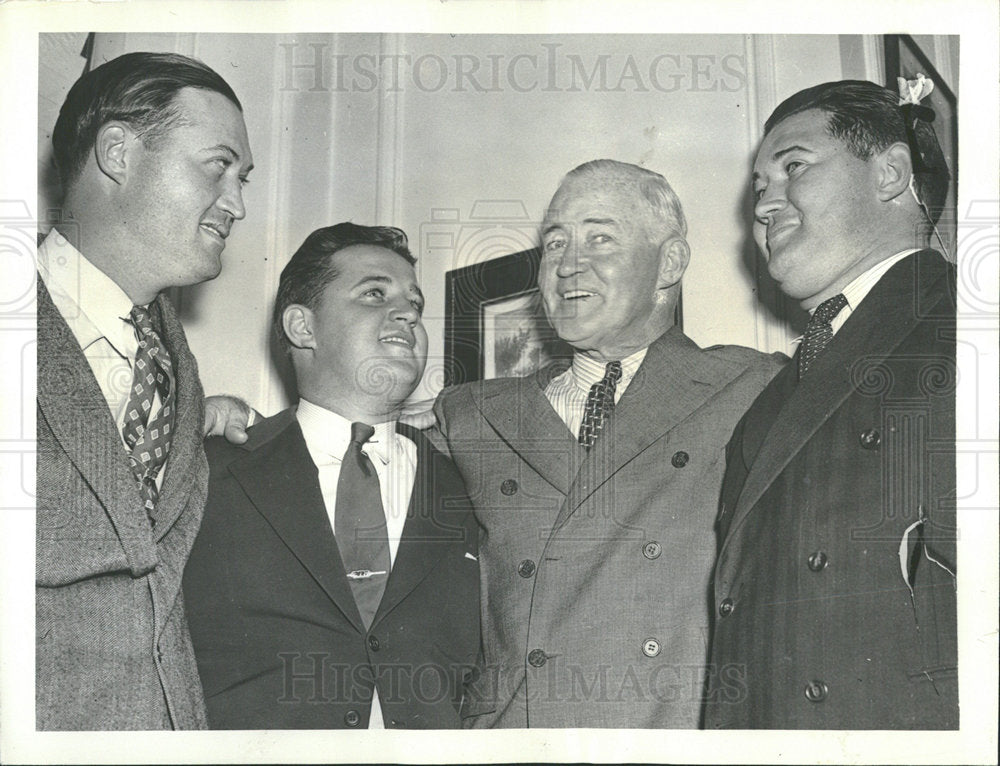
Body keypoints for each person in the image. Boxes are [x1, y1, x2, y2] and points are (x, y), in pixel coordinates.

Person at [434, 160, 785, 727]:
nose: (568, 264)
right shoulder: (471, 412)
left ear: (669, 262)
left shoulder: (749, 387)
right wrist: (247, 426)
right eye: (555, 243)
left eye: (599, 238)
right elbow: (350, 459)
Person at [704, 79, 957, 729]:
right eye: (760, 188)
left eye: (793, 167)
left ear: (891, 174)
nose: (765, 206)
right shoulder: (762, 412)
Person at [182, 223, 481, 729]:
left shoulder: (470, 483)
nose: (408, 312)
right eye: (374, 294)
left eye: (414, 301)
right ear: (303, 328)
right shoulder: (207, 469)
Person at [36, 51, 253, 730]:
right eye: (218, 167)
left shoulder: (175, 370)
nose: (238, 204)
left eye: (243, 180)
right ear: (118, 153)